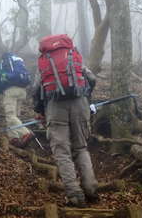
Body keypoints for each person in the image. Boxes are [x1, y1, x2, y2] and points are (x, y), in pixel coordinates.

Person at [34, 34, 98, 208]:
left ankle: (75, 196)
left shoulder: (44, 61)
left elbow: (36, 88)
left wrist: (40, 110)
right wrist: (86, 95)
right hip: (80, 103)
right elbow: (91, 79)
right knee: (81, 147)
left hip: (55, 107)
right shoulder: (72, 55)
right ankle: (91, 189)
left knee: (62, 152)